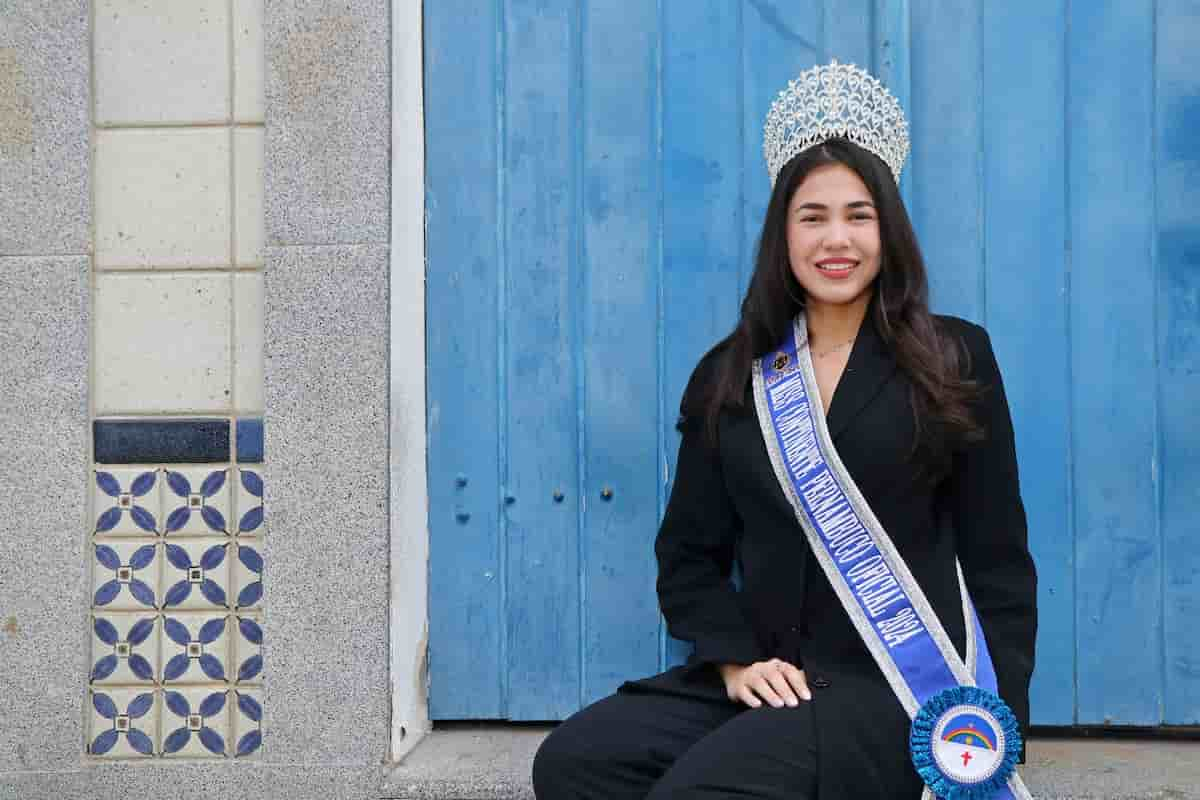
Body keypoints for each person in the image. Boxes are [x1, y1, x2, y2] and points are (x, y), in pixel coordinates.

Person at [532, 61, 1037, 799]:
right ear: (783, 232)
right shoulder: (732, 374)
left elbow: (997, 557)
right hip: (775, 676)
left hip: (895, 686)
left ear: (888, 231)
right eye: (813, 216)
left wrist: (997, 723)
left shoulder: (954, 357)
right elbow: (689, 555)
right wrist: (735, 663)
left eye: (859, 215)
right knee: (577, 763)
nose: (838, 239)